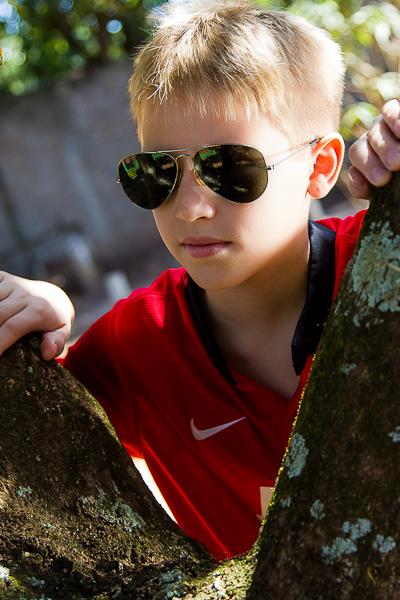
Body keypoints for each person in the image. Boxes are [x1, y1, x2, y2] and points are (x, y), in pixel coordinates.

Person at [0, 0, 399, 560]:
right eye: (158, 172)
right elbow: (37, 414)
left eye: (228, 167)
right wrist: (40, 310)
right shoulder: (137, 343)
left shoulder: (382, 263)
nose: (190, 208)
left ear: (320, 167)